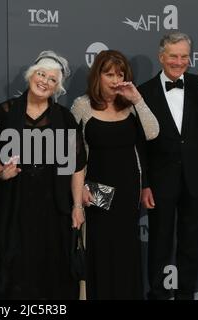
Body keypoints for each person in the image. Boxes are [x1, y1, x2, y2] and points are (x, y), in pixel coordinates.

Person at [138, 31, 198, 300]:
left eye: (184, 56)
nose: (179, 62)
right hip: (160, 181)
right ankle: (157, 294)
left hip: (196, 178)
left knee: (191, 244)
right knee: (159, 243)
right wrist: (144, 184)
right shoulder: (143, 92)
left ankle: (185, 295)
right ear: (161, 57)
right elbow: (140, 147)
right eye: (173, 56)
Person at [0, 50, 86, 299]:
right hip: (14, 202)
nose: (44, 81)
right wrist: (1, 171)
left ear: (58, 87)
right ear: (30, 76)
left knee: (52, 264)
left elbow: (76, 166)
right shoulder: (4, 111)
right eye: (41, 74)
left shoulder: (65, 119)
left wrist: (77, 206)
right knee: (14, 263)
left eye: (52, 79)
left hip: (54, 206)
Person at [71, 50, 159, 300]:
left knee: (125, 251)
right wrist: (81, 190)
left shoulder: (130, 105)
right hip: (97, 191)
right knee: (101, 251)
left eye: (119, 74)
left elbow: (152, 133)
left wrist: (137, 99)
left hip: (128, 189)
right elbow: (70, 154)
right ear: (97, 75)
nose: (114, 79)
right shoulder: (82, 105)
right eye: (108, 74)